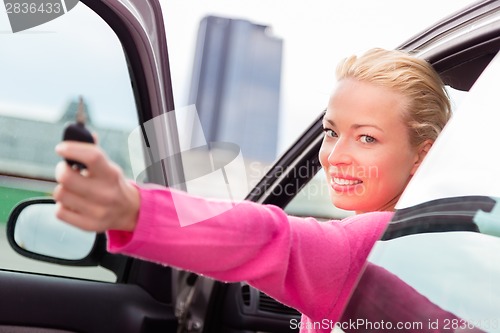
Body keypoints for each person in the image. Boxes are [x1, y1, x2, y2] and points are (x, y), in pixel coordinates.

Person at [53, 48, 451, 333]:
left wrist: (132, 208)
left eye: (366, 138)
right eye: (331, 132)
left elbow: (272, 240)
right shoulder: (450, 244)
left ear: (422, 156)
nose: (335, 156)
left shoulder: (371, 247)